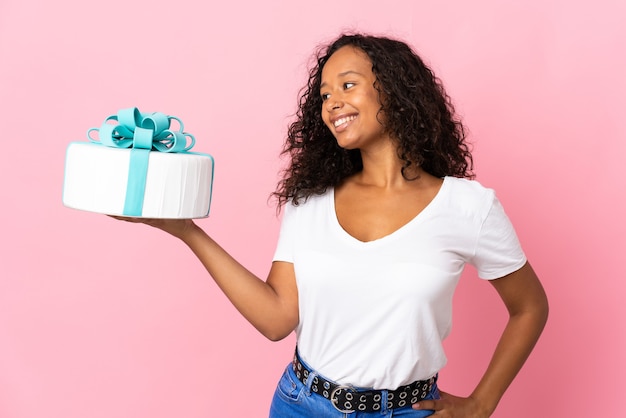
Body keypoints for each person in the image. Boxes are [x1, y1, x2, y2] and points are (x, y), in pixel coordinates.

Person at [115, 33, 549, 417]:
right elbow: (276, 319)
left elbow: (530, 307)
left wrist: (481, 404)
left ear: (396, 92)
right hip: (300, 405)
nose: (332, 102)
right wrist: (186, 230)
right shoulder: (310, 201)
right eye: (324, 94)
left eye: (348, 85)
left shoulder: (467, 206)